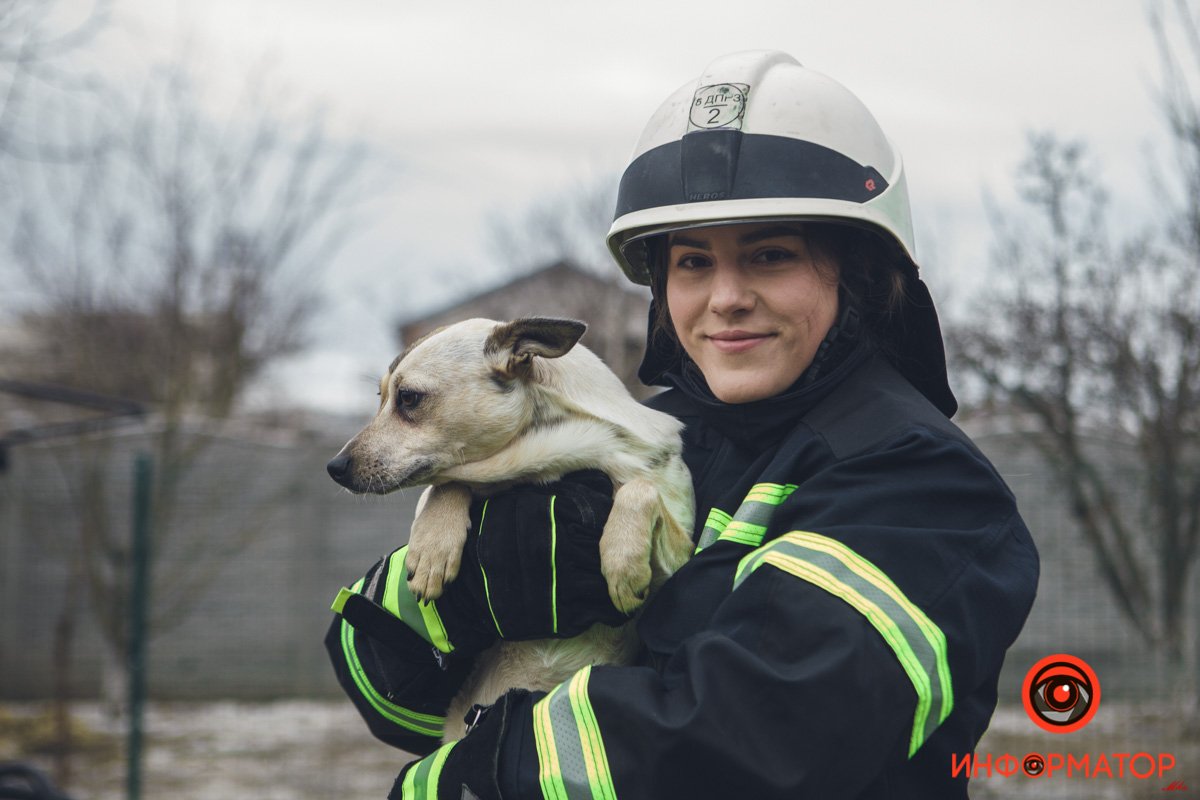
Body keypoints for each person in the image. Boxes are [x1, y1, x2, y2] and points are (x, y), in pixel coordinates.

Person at [326, 50, 1039, 799]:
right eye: (693, 262)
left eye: (769, 254)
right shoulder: (643, 439)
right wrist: (466, 594)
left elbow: (752, 743)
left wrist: (477, 776)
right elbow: (382, 693)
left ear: (859, 271)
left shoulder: (922, 485)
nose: (725, 297)